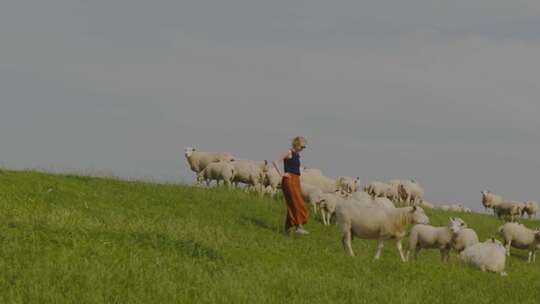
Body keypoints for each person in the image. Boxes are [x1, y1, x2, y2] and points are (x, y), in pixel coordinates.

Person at [272, 136, 309, 235]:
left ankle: (287, 229)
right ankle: (299, 227)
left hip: (296, 180)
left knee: (293, 203)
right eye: (302, 146)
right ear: (296, 144)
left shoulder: (297, 155)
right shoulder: (289, 153)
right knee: (297, 202)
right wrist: (282, 174)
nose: (303, 149)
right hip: (289, 180)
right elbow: (275, 161)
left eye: (304, 147)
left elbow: (294, 167)